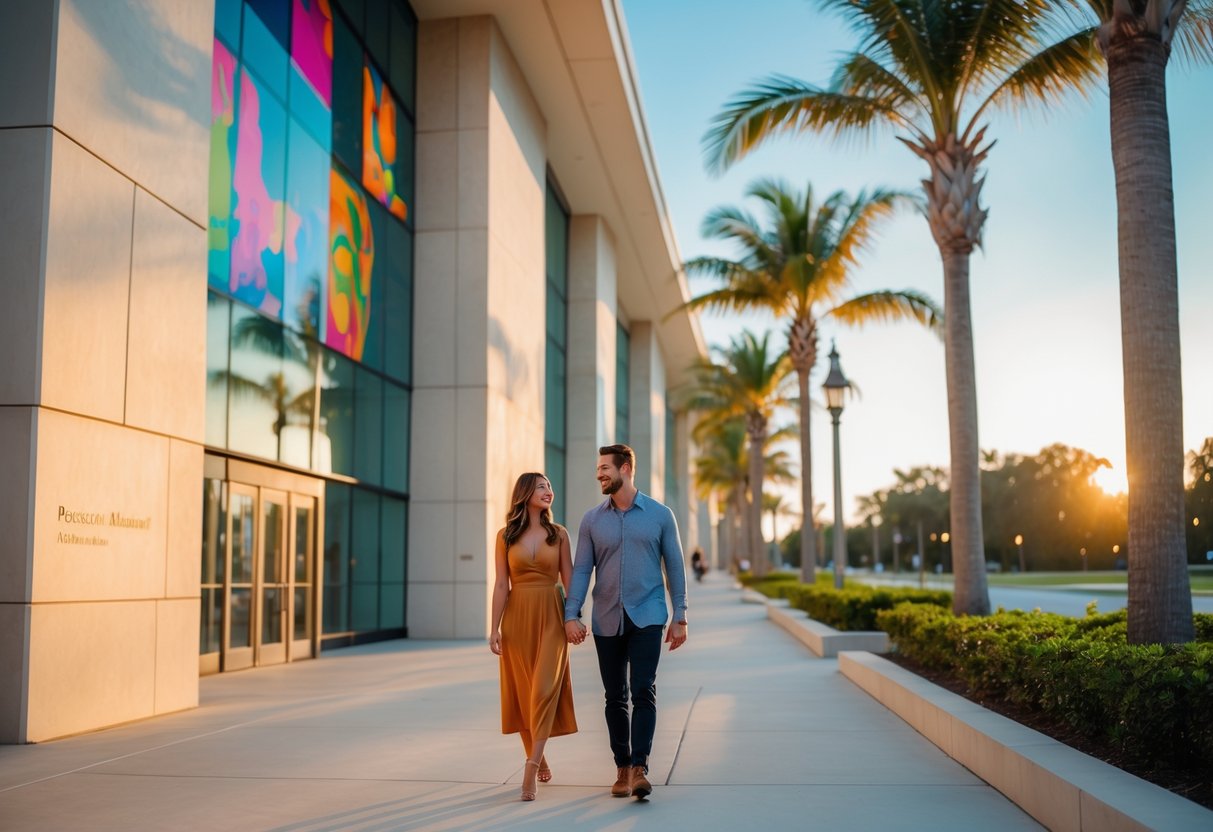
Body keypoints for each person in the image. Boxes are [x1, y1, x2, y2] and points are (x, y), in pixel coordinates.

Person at [564, 444, 688, 801]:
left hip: (648, 614)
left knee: (643, 690)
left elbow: (675, 568)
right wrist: (572, 613)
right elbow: (583, 569)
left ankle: (639, 768)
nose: (599, 474)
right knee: (614, 696)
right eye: (598, 468)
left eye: (605, 468)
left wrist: (679, 616)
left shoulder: (661, 515)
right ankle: (621, 767)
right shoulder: (592, 520)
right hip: (606, 617)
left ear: (626, 469)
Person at [490, 473, 578, 801]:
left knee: (543, 689)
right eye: (542, 486)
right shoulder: (504, 536)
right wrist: (494, 628)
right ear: (525, 493)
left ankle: (530, 766)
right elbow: (501, 584)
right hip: (516, 619)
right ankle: (539, 755)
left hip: (552, 616)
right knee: (524, 692)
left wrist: (574, 618)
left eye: (550, 486)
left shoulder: (560, 535)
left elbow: (570, 580)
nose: (548, 492)